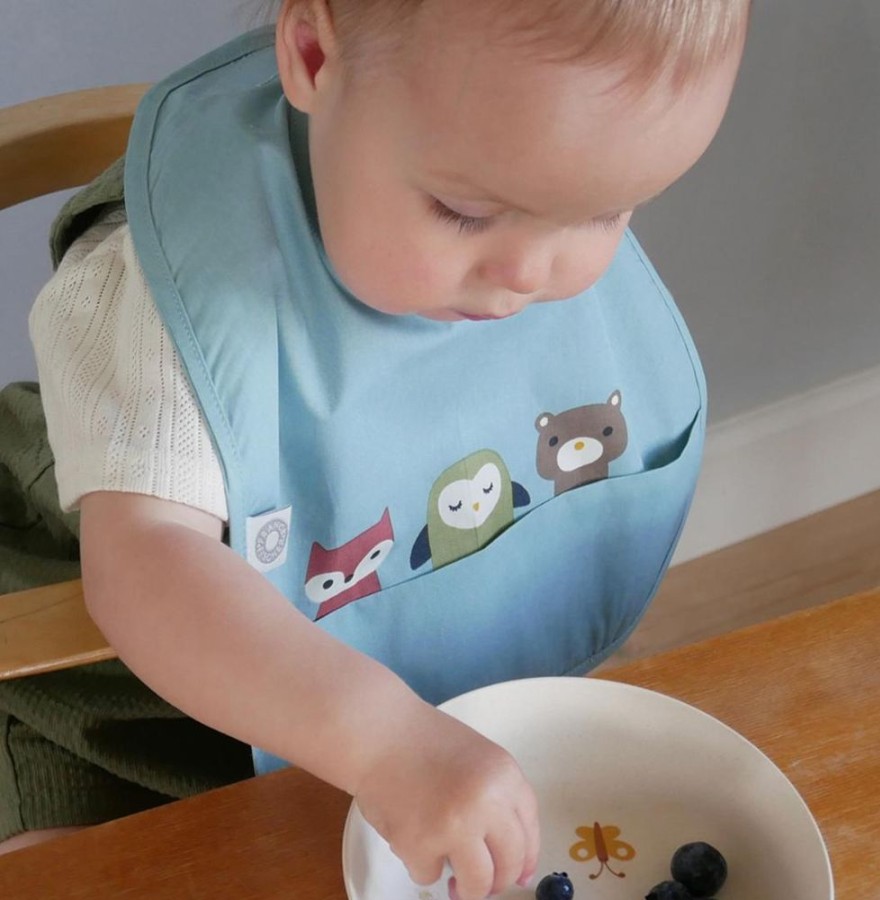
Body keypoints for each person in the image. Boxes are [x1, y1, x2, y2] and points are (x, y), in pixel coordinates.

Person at [0, 1, 750, 897]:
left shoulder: (528, 180)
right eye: (466, 212)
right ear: (315, 53)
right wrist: (386, 741)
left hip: (400, 719)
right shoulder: (166, 302)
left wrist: (413, 747)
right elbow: (145, 569)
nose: (529, 277)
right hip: (119, 712)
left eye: (606, 213)